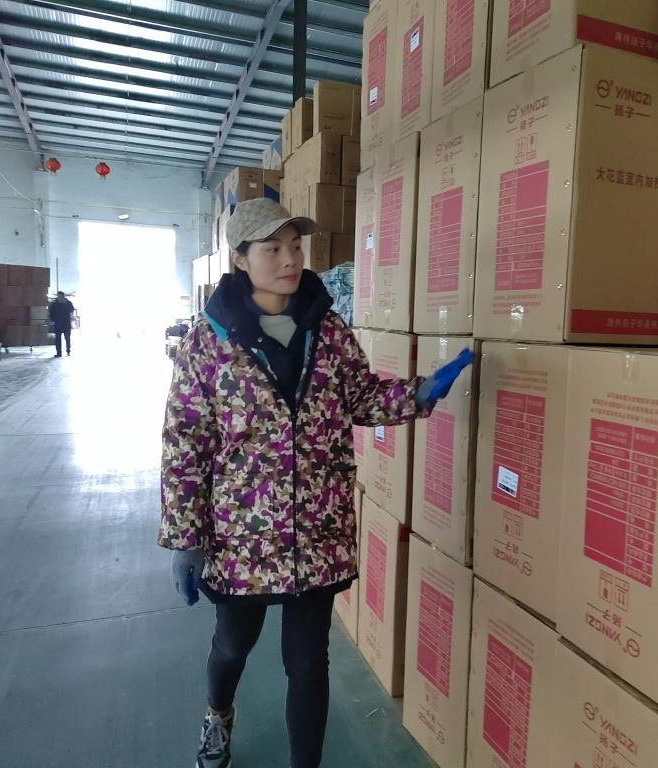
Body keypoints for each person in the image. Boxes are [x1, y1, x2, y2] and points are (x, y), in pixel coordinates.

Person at [158, 198, 473, 768]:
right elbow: (186, 442)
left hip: (317, 529)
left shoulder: (326, 328)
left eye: (295, 246)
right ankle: (218, 715)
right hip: (243, 536)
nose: (290, 259)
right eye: (272, 249)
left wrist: (419, 393)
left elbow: (360, 397)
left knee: (308, 663)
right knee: (232, 646)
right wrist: (185, 537)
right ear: (240, 258)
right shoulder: (207, 342)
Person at [48, 291, 75, 357]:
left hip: (66, 323)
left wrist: (66, 304)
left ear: (63, 296)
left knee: (67, 338)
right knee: (57, 339)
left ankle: (68, 351)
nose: (59, 298)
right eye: (58, 296)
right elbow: (51, 312)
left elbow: (72, 309)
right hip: (58, 324)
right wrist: (53, 320)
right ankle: (59, 353)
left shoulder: (68, 303)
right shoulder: (54, 304)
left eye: (60, 296)